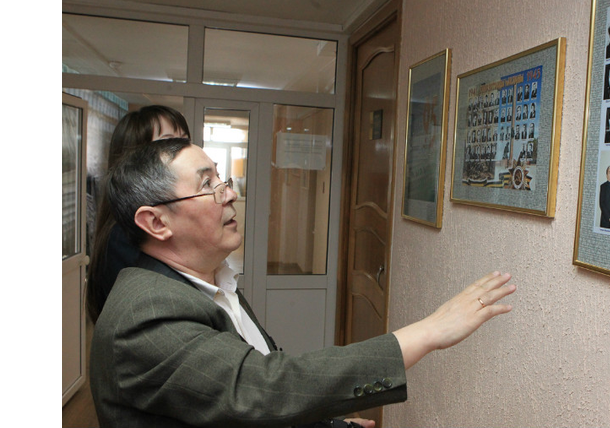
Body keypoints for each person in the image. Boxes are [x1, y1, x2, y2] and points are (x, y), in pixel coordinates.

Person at [90, 138, 516, 428]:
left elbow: (242, 398)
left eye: (222, 179)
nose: (229, 193)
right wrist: (430, 331)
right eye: (208, 185)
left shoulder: (213, 282)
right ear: (156, 223)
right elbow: (263, 388)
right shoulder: (146, 315)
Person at [86, 105, 191, 323]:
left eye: (185, 141)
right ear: (135, 156)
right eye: (169, 142)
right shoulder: (124, 235)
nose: (184, 151)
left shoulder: (164, 213)